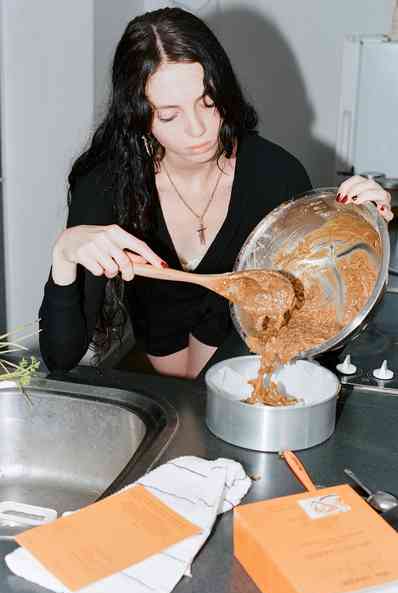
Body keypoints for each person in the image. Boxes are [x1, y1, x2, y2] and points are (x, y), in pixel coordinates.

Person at [39, 7, 392, 378]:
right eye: (169, 115)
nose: (197, 130)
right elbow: (60, 358)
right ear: (137, 117)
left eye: (207, 102)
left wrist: (362, 226)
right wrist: (64, 253)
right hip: (161, 361)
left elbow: (319, 310)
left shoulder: (275, 175)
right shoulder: (107, 184)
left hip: (244, 363)